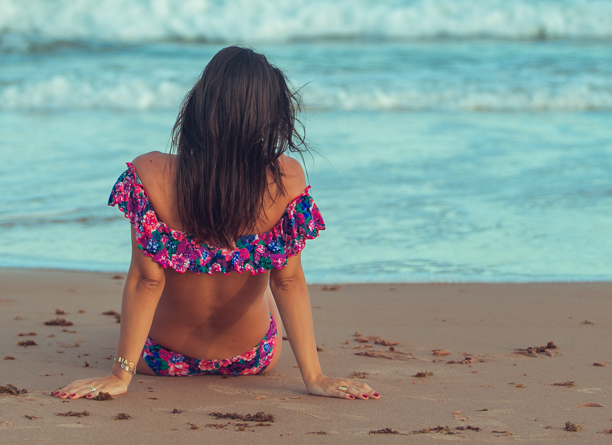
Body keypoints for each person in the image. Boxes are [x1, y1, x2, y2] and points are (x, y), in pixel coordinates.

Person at [54, 46, 379, 401]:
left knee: (161, 280)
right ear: (269, 115)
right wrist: (315, 377)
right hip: (252, 359)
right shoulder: (286, 177)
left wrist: (120, 375)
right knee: (270, 279)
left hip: (160, 360)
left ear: (200, 104)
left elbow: (147, 281)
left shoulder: (150, 172)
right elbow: (289, 283)